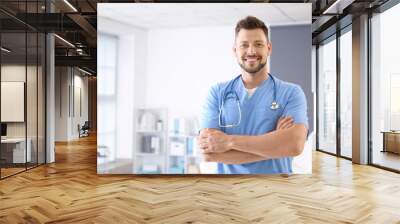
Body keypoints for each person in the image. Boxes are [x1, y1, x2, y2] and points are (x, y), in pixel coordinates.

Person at [198, 16, 308, 174]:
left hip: (277, 192)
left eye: (258, 44)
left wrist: (228, 142)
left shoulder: (291, 93)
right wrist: (275, 144)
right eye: (244, 45)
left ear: (268, 48)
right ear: (235, 51)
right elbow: (208, 154)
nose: (251, 51)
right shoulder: (217, 93)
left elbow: (294, 145)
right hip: (229, 193)